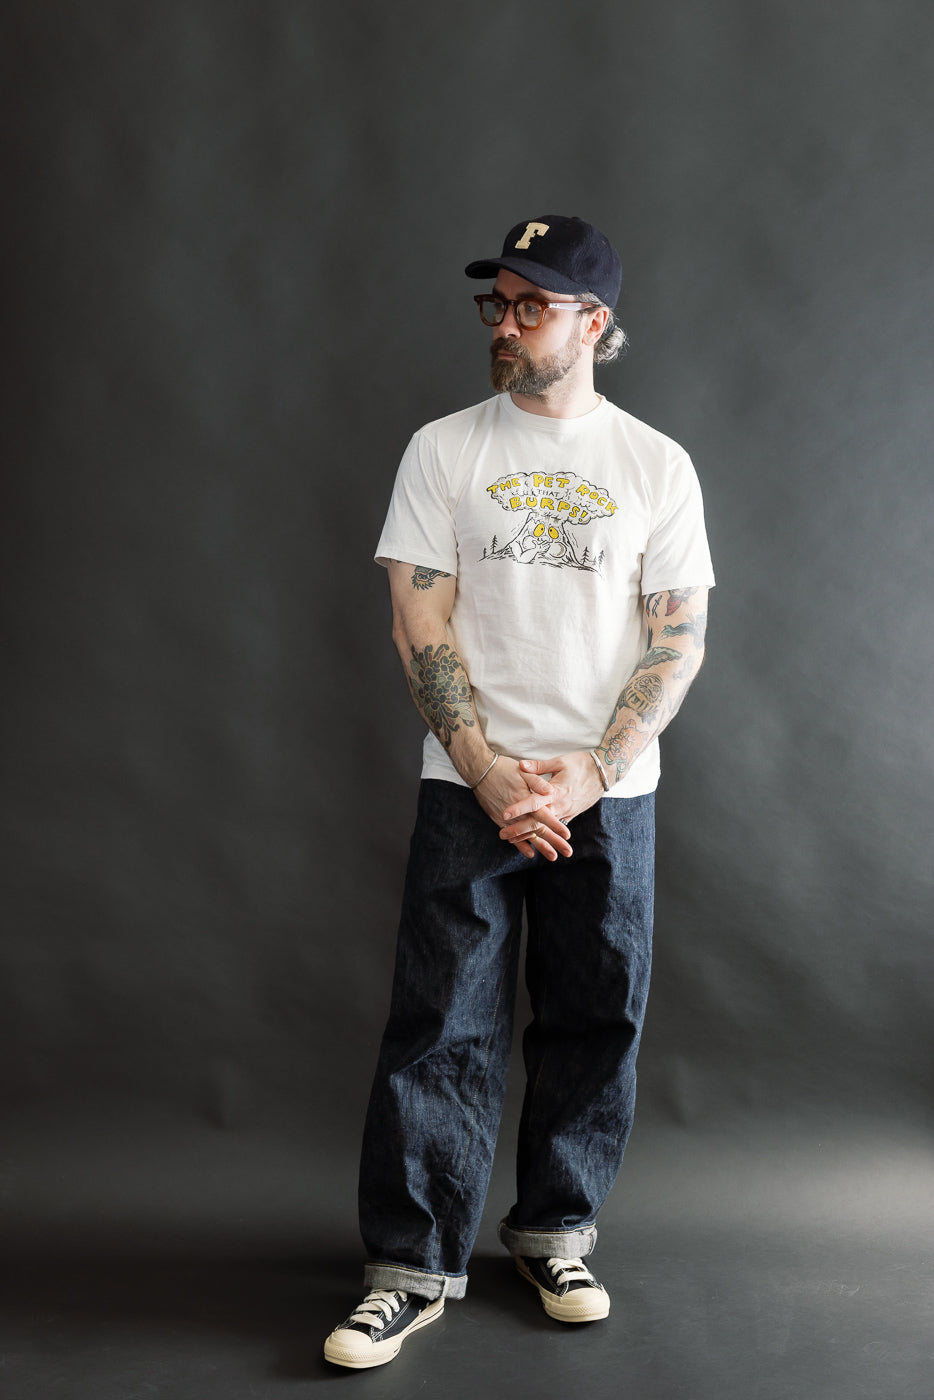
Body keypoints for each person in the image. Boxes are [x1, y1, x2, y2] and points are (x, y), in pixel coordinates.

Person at [323, 215, 715, 1369]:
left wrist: (592, 769)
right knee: (441, 1018)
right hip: (470, 781)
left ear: (592, 322)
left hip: (611, 788)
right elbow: (419, 619)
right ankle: (410, 1264)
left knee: (597, 1014)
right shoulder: (444, 448)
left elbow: (676, 638)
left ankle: (555, 1229)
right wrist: (493, 769)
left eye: (528, 306)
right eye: (493, 303)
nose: (503, 323)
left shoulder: (655, 463)